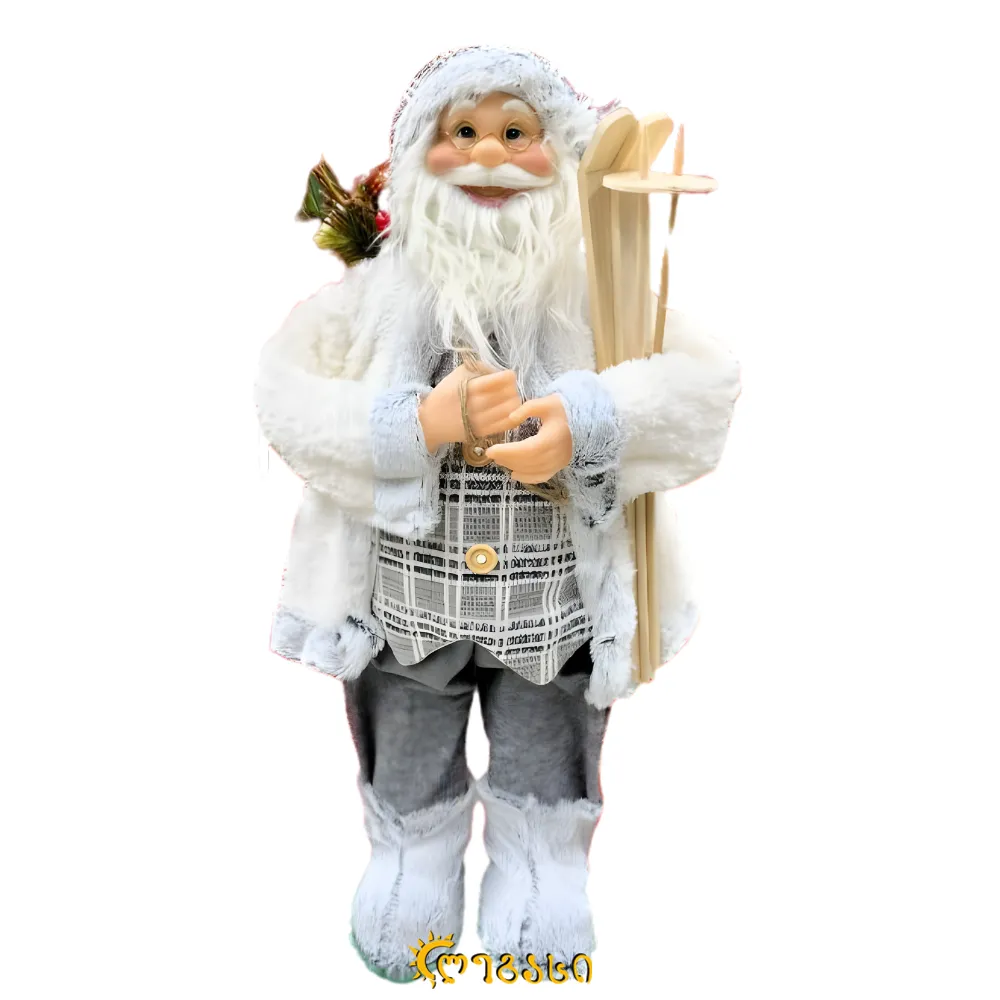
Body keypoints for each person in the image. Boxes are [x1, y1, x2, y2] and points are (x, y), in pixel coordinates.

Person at [255, 45, 740, 981]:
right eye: (464, 132)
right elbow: (284, 396)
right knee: (407, 751)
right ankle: (412, 862)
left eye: (516, 134)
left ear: (560, 153)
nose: (487, 156)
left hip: (552, 611)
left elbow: (702, 386)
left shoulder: (598, 298)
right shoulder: (372, 300)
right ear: (416, 153)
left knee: (548, 750)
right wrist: (414, 426)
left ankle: (541, 870)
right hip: (406, 610)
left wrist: (592, 421)